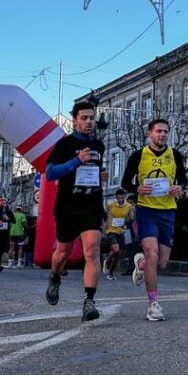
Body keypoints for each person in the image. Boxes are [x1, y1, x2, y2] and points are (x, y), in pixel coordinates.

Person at [44, 101, 107, 322]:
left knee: (92, 251)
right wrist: (76, 161)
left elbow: (94, 171)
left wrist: (100, 176)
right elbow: (50, 173)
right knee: (63, 252)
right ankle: (54, 277)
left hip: (91, 204)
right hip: (67, 207)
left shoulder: (99, 145)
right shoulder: (64, 145)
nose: (89, 122)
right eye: (84, 118)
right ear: (75, 120)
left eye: (92, 118)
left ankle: (89, 301)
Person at [121, 118, 187, 321]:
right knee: (152, 252)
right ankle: (153, 304)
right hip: (146, 210)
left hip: (167, 211)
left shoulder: (175, 155)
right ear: (150, 133)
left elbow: (183, 178)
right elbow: (125, 182)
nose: (162, 135)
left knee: (162, 263)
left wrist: (180, 187)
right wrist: (136, 189)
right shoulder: (138, 155)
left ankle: (141, 265)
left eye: (165, 131)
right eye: (158, 131)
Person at [101, 189, 134, 281]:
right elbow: (103, 214)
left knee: (117, 253)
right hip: (111, 230)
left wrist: (128, 221)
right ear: (116, 197)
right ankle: (108, 261)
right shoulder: (110, 205)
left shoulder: (128, 206)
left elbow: (130, 218)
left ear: (124, 197)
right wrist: (105, 222)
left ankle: (110, 271)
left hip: (121, 231)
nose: (120, 200)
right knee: (116, 249)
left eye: (122, 198)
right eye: (118, 198)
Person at [0, 198, 14, 273]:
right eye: (2, 202)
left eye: (5, 202)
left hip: (6, 231)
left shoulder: (9, 212)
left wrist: (8, 218)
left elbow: (13, 220)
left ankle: (9, 260)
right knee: (0, 247)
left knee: (6, 246)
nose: (3, 203)